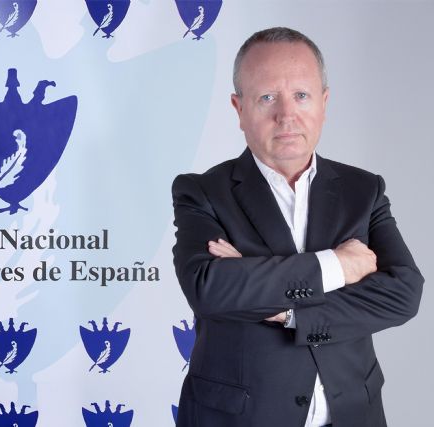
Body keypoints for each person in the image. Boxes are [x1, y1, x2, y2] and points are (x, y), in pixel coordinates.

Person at [171, 27, 423, 427]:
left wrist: (284, 308)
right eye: (267, 97)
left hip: (354, 415)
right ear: (239, 108)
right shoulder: (202, 192)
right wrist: (338, 266)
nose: (286, 115)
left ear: (324, 102)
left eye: (301, 95)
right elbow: (209, 288)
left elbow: (404, 294)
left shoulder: (364, 190)